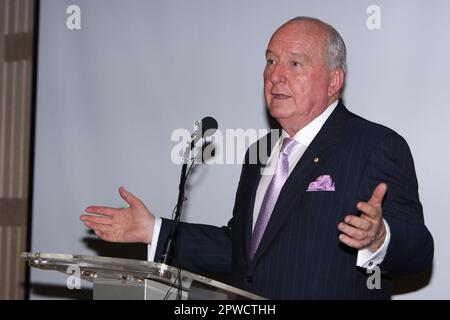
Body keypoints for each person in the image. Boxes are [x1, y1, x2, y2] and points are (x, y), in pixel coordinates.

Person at [80, 16, 433, 299]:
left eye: (295, 64)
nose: (275, 75)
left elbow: (419, 248)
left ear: (333, 80)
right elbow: (242, 250)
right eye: (270, 61)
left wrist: (380, 238)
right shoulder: (259, 153)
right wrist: (154, 230)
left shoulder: (374, 145)